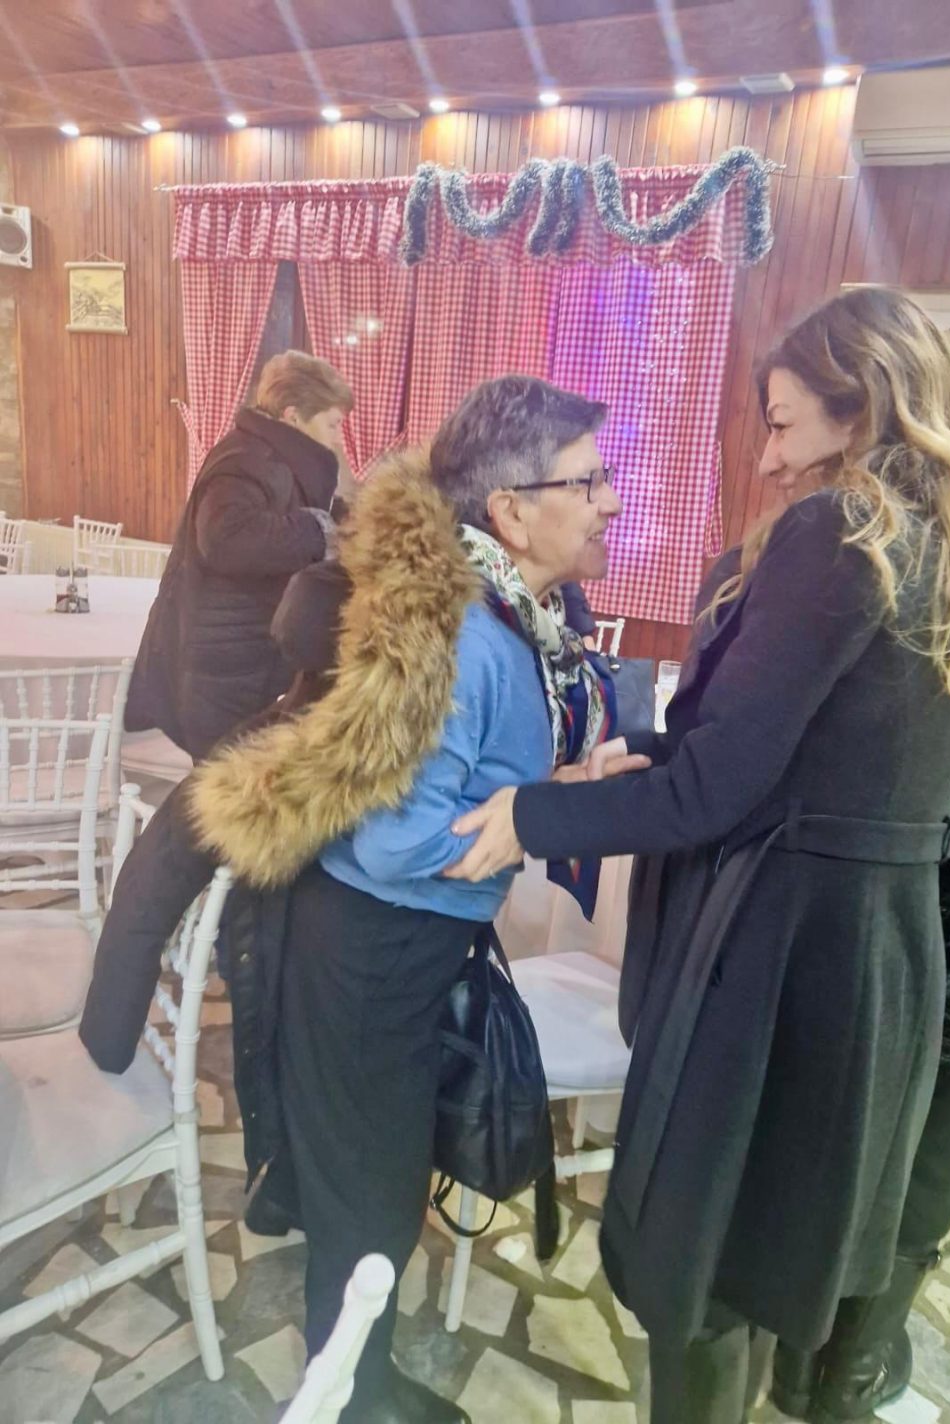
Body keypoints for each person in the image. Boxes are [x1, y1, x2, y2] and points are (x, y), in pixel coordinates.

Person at [445, 287, 950, 1424]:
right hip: (882, 947)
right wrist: (649, 754)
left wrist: (534, 818)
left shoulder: (842, 531)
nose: (768, 459)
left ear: (858, 405)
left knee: (707, 1262)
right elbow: (831, 753)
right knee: (775, 1248)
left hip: (781, 942)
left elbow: (721, 791)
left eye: (780, 423)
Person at [184, 375, 623, 1424]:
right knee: (368, 1190)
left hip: (392, 945)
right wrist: (532, 817)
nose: (609, 500)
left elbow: (459, 785)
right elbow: (392, 845)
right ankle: (353, 1398)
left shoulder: (506, 615)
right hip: (370, 948)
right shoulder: (472, 637)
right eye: (588, 481)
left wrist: (550, 791)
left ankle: (360, 1383)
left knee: (373, 1175)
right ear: (511, 511)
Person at [769, 372, 950, 1423]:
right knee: (933, 1159)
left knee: (836, 1138)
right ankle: (847, 1379)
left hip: (914, 908)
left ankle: (792, 1351)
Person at [125, 349, 353, 759]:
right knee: (222, 782)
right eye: (333, 424)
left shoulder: (274, 458)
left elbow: (282, 513)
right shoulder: (247, 460)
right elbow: (225, 538)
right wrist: (317, 530)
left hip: (244, 658)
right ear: (293, 416)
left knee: (237, 779)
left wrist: (341, 519)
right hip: (224, 669)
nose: (339, 438)